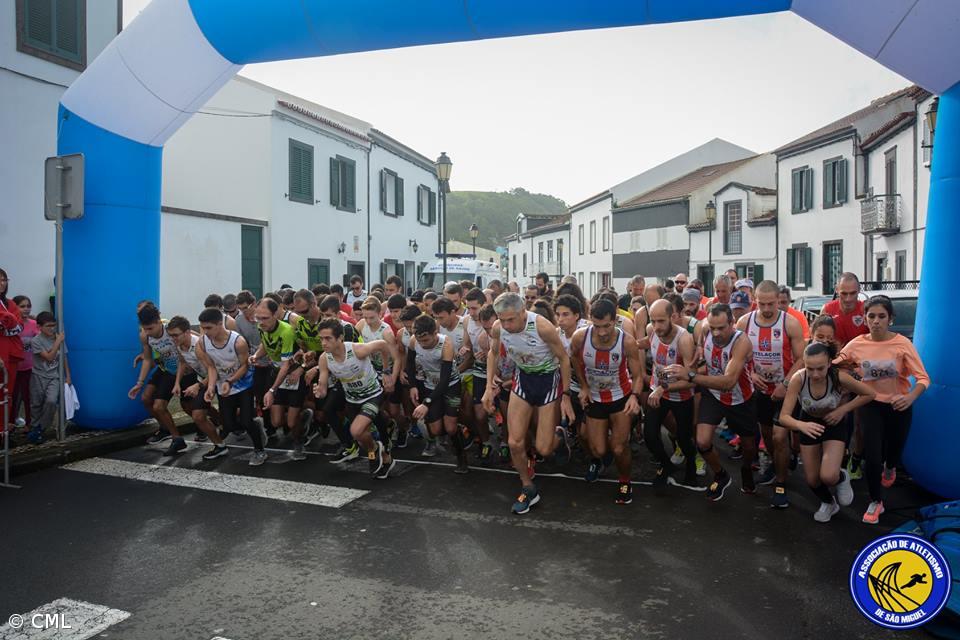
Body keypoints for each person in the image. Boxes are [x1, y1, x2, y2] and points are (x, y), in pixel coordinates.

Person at [840, 295, 930, 525]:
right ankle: (875, 500)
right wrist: (849, 374)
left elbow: (923, 378)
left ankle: (890, 467)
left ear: (890, 319)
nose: (876, 321)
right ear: (865, 319)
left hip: (899, 405)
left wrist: (910, 397)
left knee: (894, 452)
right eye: (871, 316)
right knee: (872, 455)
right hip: (870, 404)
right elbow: (836, 364)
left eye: (881, 316)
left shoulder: (902, 344)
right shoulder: (857, 344)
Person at [482, 292, 574, 515]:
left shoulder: (542, 327)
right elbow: (492, 354)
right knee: (515, 443)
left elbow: (563, 358)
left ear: (524, 312)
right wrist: (488, 387)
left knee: (544, 448)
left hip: (548, 382)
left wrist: (566, 396)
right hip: (523, 379)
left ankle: (560, 438)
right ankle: (528, 487)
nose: (506, 325)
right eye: (502, 319)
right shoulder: (498, 327)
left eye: (511, 319)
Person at [665, 304, 757, 501]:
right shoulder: (706, 327)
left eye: (722, 328)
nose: (716, 332)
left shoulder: (741, 342)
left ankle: (747, 467)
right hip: (713, 395)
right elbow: (702, 337)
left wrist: (689, 375)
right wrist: (699, 348)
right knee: (702, 441)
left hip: (740, 399)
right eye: (713, 327)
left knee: (750, 447)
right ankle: (721, 474)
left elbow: (729, 382)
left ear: (732, 323)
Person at [779, 342, 875, 522]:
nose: (815, 374)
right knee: (813, 480)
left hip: (834, 422)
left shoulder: (839, 377)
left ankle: (841, 476)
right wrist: (801, 425)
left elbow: (869, 394)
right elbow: (784, 417)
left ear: (830, 363)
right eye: (810, 368)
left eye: (820, 368)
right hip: (808, 423)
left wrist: (842, 410)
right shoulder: (799, 379)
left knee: (828, 476)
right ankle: (829, 503)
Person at [737, 280, 805, 508]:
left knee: (779, 436)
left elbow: (802, 359)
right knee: (767, 435)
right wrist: (750, 374)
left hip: (786, 389)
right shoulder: (744, 323)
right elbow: (737, 355)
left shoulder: (791, 324)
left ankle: (781, 484)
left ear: (779, 301)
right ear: (755, 301)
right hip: (761, 389)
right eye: (761, 304)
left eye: (771, 304)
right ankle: (776, 465)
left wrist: (785, 383)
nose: (766, 309)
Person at [571, 299, 644, 504]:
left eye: (607, 326)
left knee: (619, 448)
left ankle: (625, 480)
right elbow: (574, 360)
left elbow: (638, 376)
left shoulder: (627, 342)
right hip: (595, 398)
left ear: (615, 320)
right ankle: (598, 460)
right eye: (597, 326)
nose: (602, 332)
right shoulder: (580, 337)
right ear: (590, 321)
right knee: (600, 450)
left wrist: (634, 397)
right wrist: (584, 386)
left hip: (620, 397)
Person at [313, 318, 398, 478]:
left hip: (373, 395)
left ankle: (374, 449)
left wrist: (386, 371)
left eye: (328, 338)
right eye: (321, 338)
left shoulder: (357, 350)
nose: (323, 343)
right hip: (352, 400)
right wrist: (320, 391)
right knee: (361, 437)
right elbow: (323, 386)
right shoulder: (325, 359)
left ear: (340, 338)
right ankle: (385, 459)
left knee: (356, 431)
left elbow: (383, 345)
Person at [643, 299, 698, 491]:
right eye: (653, 320)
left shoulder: (683, 339)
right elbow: (645, 342)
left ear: (672, 317)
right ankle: (666, 466)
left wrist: (663, 388)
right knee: (649, 434)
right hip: (659, 391)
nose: (656, 326)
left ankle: (691, 463)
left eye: (661, 321)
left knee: (683, 438)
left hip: (680, 395)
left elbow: (691, 378)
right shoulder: (651, 330)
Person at [253, 298, 312, 460]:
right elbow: (266, 345)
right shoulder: (261, 327)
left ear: (275, 315)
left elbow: (286, 366)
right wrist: (256, 355)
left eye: (265, 318)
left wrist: (272, 390)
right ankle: (303, 417)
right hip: (277, 371)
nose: (261, 322)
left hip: (292, 374)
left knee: (292, 423)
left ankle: (299, 441)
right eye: (258, 317)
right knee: (276, 422)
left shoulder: (287, 331)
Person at [168, 315, 229, 460]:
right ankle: (220, 434)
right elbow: (182, 363)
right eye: (171, 336)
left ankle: (223, 439)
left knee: (201, 416)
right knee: (192, 410)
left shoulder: (199, 347)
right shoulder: (179, 344)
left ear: (187, 332)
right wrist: (177, 383)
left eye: (176, 335)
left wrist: (198, 385)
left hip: (220, 379)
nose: (173, 338)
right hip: (204, 380)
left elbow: (214, 371)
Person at [130, 304, 186, 454]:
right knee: (146, 398)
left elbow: (191, 338)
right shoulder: (144, 335)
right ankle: (165, 429)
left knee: (160, 406)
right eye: (144, 328)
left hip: (181, 369)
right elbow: (148, 359)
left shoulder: (170, 331)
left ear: (159, 322)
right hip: (164, 369)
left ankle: (177, 439)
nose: (148, 332)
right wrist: (139, 383)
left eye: (150, 329)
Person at [28, 312, 70, 444]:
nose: (51, 328)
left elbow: (64, 358)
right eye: (48, 326)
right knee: (36, 404)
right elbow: (49, 357)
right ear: (39, 326)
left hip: (54, 376)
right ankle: (36, 428)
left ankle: (41, 427)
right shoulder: (36, 341)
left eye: (53, 325)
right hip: (38, 376)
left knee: (51, 401)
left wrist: (68, 376)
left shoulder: (58, 338)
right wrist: (57, 342)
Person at [463, 288, 495, 461]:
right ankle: (486, 442)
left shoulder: (495, 320)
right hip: (479, 371)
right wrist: (466, 350)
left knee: (505, 415)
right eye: (468, 308)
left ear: (484, 305)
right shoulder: (467, 321)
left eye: (474, 308)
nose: (471, 312)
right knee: (479, 414)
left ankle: (505, 443)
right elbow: (468, 345)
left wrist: (489, 352)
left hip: (500, 374)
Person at [0, 268, 24, 427]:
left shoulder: (10, 303)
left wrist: (6, 322)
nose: (2, 283)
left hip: (11, 355)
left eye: (4, 280)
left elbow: (19, 326)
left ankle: (4, 434)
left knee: (7, 395)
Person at [822, 272, 869, 347]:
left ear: (859, 290)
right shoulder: (827, 310)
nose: (848, 299)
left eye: (852, 293)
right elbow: (820, 338)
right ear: (837, 290)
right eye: (844, 294)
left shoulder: (866, 310)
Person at [11, 296, 37, 428]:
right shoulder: (11, 324)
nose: (26, 309)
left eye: (28, 306)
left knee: (29, 397)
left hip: (29, 368)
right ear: (14, 307)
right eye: (22, 306)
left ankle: (29, 424)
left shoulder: (33, 324)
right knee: (12, 397)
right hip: (13, 368)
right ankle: (10, 424)